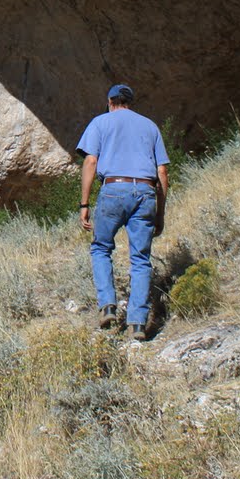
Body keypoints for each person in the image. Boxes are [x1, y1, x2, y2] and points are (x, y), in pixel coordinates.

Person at [77, 83, 169, 340]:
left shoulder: (100, 123)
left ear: (109, 101)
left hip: (114, 189)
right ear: (130, 102)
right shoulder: (150, 126)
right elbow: (162, 172)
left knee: (101, 248)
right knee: (140, 259)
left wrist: (84, 204)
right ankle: (138, 324)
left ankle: (107, 305)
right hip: (145, 192)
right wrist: (160, 213)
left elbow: (91, 161)